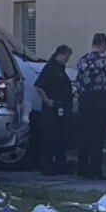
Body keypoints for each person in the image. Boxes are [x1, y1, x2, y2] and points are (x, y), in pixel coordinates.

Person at [75, 33, 106, 180]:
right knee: (98, 135)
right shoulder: (105, 61)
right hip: (101, 100)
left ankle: (82, 168)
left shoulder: (82, 60)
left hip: (85, 100)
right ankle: (95, 169)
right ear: (103, 44)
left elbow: (78, 82)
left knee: (84, 134)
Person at [34, 45, 74, 177]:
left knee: (60, 138)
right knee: (50, 138)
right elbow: (39, 86)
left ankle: (60, 164)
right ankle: (47, 166)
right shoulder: (50, 68)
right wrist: (47, 100)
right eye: (66, 57)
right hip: (52, 110)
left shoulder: (60, 68)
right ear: (59, 55)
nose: (67, 60)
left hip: (62, 109)